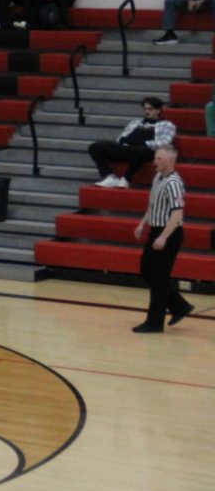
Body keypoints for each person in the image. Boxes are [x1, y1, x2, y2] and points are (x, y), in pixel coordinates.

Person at [131, 147, 192, 333]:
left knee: (159, 277)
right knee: (146, 270)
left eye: (158, 158)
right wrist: (142, 223)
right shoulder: (157, 177)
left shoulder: (174, 183)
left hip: (170, 232)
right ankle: (179, 306)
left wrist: (164, 237)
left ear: (169, 161)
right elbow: (153, 204)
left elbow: (177, 213)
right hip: (156, 229)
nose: (154, 161)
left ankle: (155, 322)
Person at [89, 97, 176, 188]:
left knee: (139, 150)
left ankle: (126, 179)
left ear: (158, 110)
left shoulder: (167, 125)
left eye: (150, 109)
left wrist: (144, 143)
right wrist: (125, 142)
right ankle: (109, 177)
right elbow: (121, 138)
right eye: (145, 109)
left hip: (147, 150)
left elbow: (165, 142)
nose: (147, 112)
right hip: (128, 149)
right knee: (95, 147)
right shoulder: (135, 123)